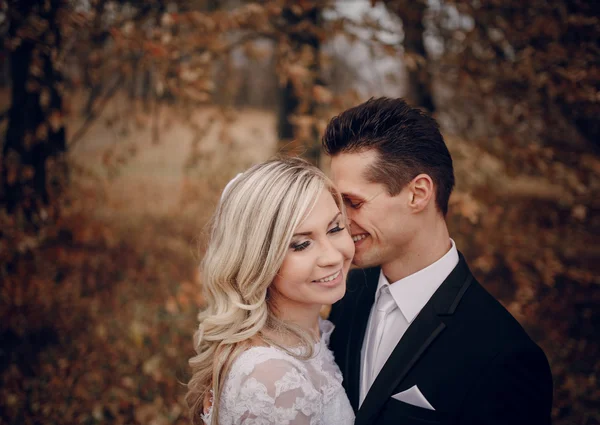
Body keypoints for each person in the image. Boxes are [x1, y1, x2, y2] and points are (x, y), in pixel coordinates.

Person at [323, 97, 553, 425]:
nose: (341, 220)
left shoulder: (503, 355)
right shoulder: (347, 292)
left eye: (354, 202)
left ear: (418, 193)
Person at [186, 158, 356, 425]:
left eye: (335, 228)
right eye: (301, 244)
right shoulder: (273, 382)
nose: (332, 256)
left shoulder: (311, 335)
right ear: (258, 259)